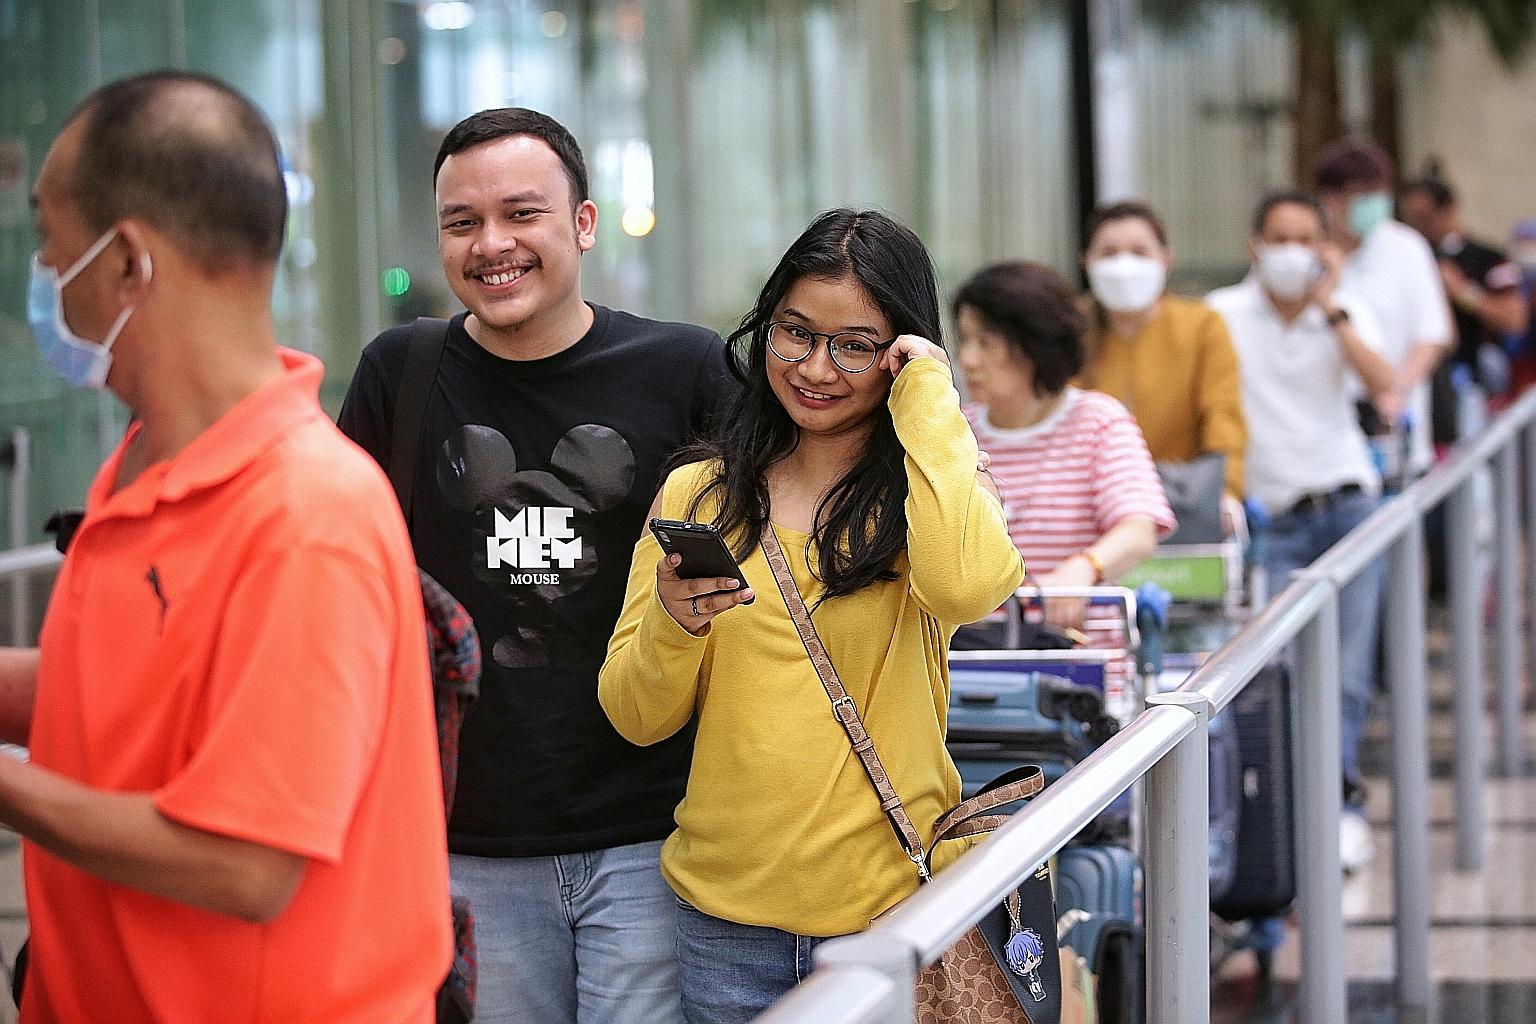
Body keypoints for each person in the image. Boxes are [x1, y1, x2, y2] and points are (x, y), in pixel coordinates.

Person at [0, 72, 451, 1022]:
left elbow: (244, 863)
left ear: (128, 262)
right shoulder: (143, 467)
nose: (40, 272)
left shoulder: (306, 515)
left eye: (49, 239)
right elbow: (124, 692)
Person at [338, 108, 731, 1024]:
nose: (492, 245)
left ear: (583, 224)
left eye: (522, 213)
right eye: (462, 223)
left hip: (654, 830)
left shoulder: (684, 370)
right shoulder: (402, 374)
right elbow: (337, 569)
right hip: (467, 837)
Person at [597, 209, 1024, 1023]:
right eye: (794, 331)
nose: (815, 367)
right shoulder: (699, 493)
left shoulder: (930, 497)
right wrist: (674, 624)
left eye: (855, 345)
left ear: (900, 351)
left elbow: (970, 589)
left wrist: (932, 396)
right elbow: (633, 715)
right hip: (725, 927)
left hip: (893, 917)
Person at [1207, 192, 1396, 870]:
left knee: (1346, 675)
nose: (1291, 250)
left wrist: (1334, 309)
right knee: (1280, 677)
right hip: (1271, 519)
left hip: (1347, 507)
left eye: (1305, 238)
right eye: (1278, 237)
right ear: (1255, 243)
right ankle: (1293, 820)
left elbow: (1386, 387)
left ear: (1324, 247)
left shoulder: (1344, 311)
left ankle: (1341, 806)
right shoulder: (1222, 314)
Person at [953, 260, 1174, 628]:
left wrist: (1083, 569)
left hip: (1081, 657)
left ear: (1034, 344)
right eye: (964, 340)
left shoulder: (1098, 422)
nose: (968, 359)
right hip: (973, 660)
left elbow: (1139, 529)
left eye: (985, 343)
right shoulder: (954, 431)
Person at [1076, 200, 1248, 530]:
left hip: (1186, 502)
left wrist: (1227, 490)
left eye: (1140, 251)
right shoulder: (1068, 331)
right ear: (1087, 262)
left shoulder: (1202, 326)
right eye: (1109, 253)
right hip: (1090, 510)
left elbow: (1223, 415)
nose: (1124, 264)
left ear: (1166, 259)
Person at [1313, 141, 1453, 475]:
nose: (1373, 202)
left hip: (1394, 431)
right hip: (1326, 447)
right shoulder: (1307, 256)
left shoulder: (1405, 248)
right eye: (1361, 193)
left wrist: (1395, 392)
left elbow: (1432, 335)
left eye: (1379, 191)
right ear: (1329, 199)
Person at [1399, 177, 1528, 429]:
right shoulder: (1411, 259)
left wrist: (1462, 293)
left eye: (1425, 218)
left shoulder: (1489, 258)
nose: (1419, 227)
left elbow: (1515, 319)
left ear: (1449, 209)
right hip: (1419, 380)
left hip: (1470, 381)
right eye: (1411, 220)